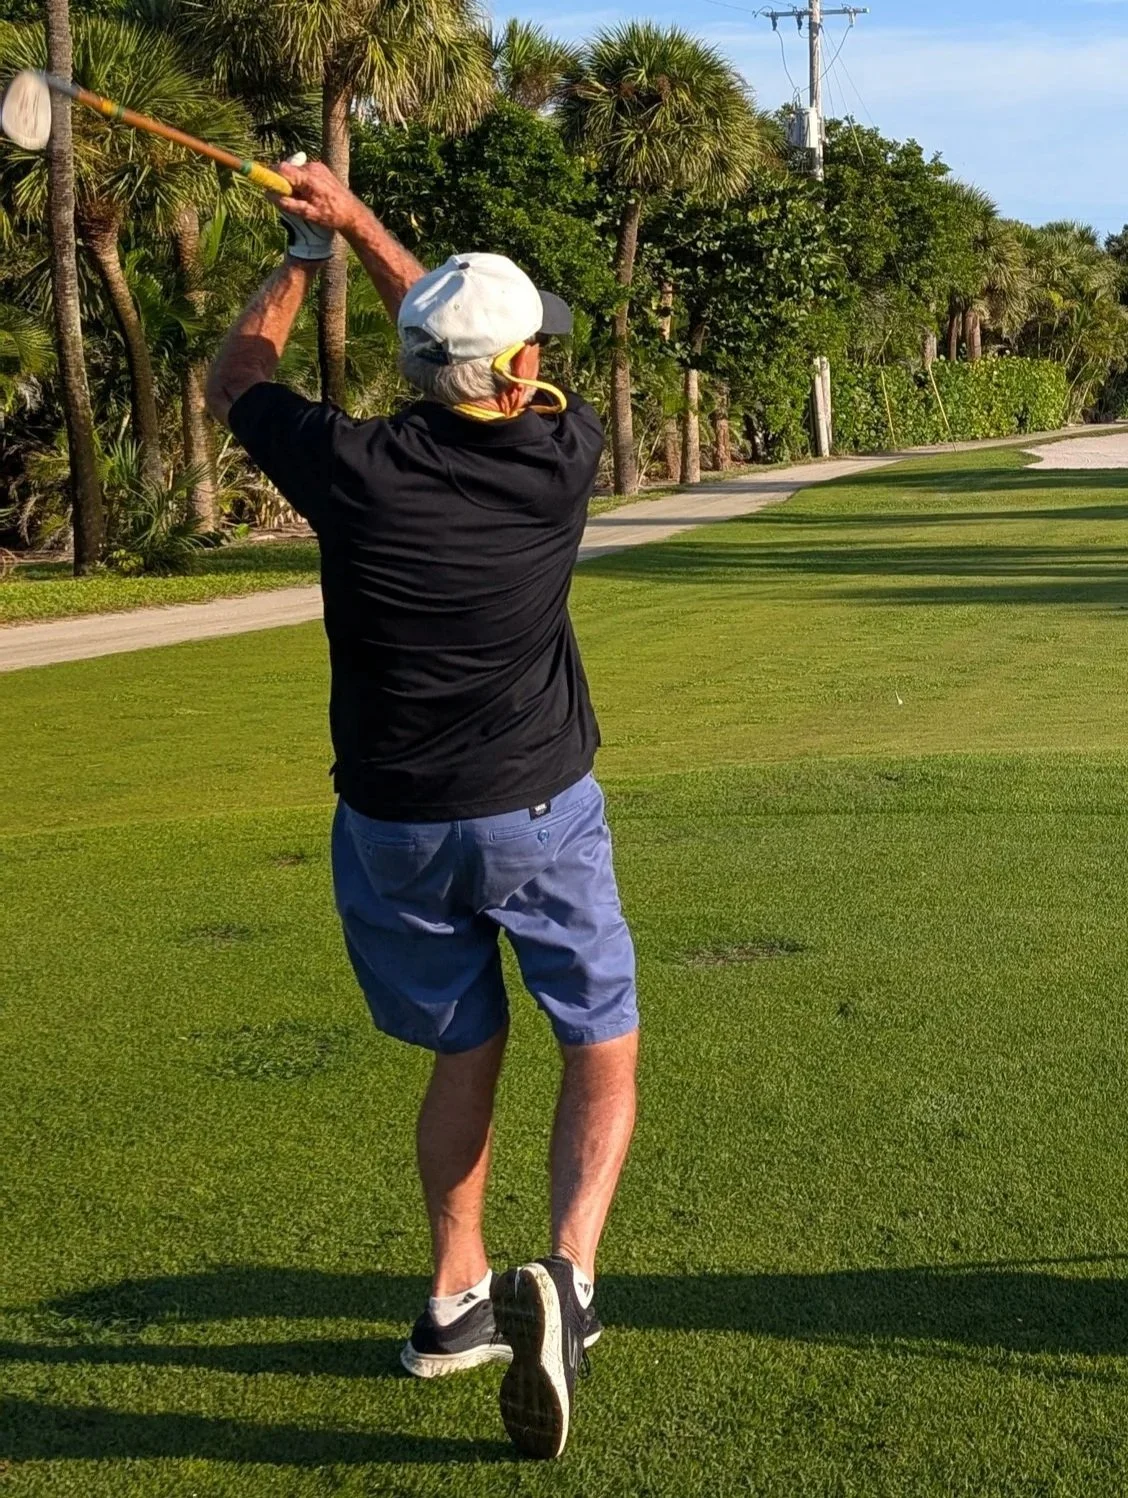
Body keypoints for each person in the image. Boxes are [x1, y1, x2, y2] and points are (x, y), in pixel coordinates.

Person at [205, 160, 639, 1461]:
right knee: (600, 1037)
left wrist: (302, 255)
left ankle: (455, 1299)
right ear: (517, 377)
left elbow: (235, 381)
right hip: (541, 809)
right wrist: (366, 227)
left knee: (467, 1047)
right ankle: (565, 1274)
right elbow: (462, 341)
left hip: (393, 828)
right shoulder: (558, 457)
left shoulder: (353, 467)